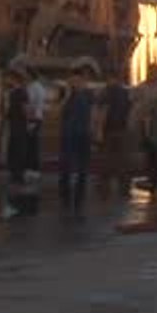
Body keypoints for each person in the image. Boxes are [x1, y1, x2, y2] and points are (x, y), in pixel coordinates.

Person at [58, 68, 96, 217]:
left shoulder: (89, 94)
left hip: (83, 134)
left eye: (79, 81)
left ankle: (79, 199)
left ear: (84, 81)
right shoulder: (67, 95)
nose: (76, 83)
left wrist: (94, 130)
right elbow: (59, 110)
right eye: (73, 81)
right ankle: (65, 196)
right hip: (68, 134)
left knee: (82, 168)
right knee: (66, 166)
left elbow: (93, 112)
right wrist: (67, 95)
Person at [100, 71, 133, 199]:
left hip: (109, 129)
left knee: (107, 159)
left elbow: (102, 110)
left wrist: (98, 129)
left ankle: (105, 187)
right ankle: (124, 188)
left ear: (111, 79)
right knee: (122, 160)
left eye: (108, 79)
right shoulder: (125, 93)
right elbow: (130, 110)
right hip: (122, 129)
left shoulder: (106, 92)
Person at [24, 69, 47, 177]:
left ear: (30, 76)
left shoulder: (33, 87)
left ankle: (33, 168)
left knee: (31, 144)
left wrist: (30, 121)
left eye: (26, 75)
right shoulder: (40, 87)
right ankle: (33, 168)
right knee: (33, 144)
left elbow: (31, 104)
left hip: (33, 118)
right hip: (38, 117)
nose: (25, 77)